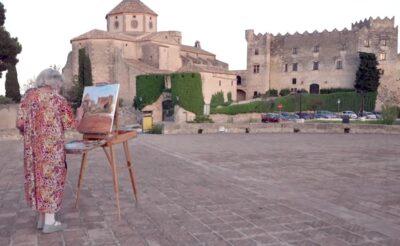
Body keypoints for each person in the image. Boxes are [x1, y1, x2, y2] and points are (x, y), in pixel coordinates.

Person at [16, 68, 84, 233]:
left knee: (37, 180)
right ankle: (50, 222)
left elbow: (20, 123)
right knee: (50, 181)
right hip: (51, 150)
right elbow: (71, 125)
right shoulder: (58, 100)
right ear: (55, 82)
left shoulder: (27, 98)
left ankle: (41, 219)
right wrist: (80, 114)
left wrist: (34, 133)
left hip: (32, 151)